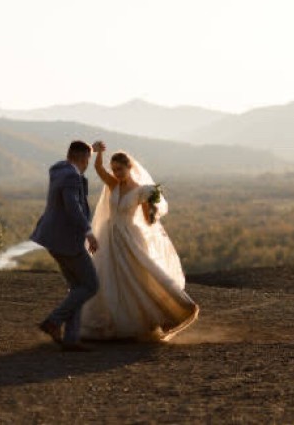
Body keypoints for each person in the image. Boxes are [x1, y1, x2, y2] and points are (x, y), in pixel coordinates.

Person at [80, 141, 199, 341]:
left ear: (130, 168)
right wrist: (98, 152)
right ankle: (110, 323)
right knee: (106, 278)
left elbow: (148, 220)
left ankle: (175, 309)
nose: (117, 173)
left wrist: (152, 207)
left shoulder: (142, 191)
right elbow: (98, 168)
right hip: (108, 235)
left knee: (140, 276)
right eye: (114, 169)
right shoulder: (113, 185)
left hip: (129, 236)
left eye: (120, 169)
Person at [31, 140, 99, 351]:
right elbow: (73, 206)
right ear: (82, 159)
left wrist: (90, 150)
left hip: (54, 239)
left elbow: (74, 179)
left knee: (77, 288)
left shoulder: (60, 169)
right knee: (90, 285)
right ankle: (53, 321)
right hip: (68, 240)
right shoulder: (71, 175)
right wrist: (88, 231)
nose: (88, 163)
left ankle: (71, 339)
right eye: (87, 159)